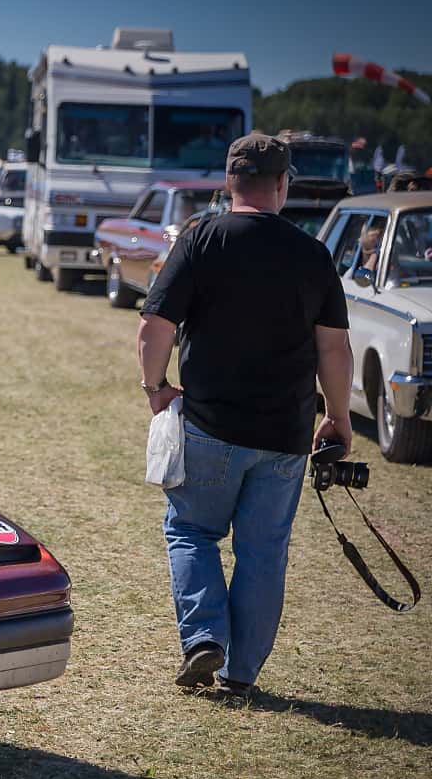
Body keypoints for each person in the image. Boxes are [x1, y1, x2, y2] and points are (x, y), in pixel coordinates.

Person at [138, 132, 352, 699]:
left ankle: (204, 637)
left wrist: (155, 386)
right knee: (263, 554)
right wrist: (337, 417)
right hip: (285, 434)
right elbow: (334, 348)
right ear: (283, 184)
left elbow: (154, 326)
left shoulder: (201, 237)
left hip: (209, 424)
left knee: (190, 530)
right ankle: (240, 675)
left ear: (229, 182)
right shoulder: (312, 253)